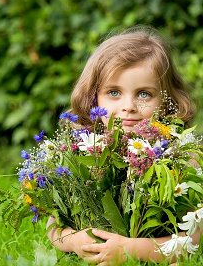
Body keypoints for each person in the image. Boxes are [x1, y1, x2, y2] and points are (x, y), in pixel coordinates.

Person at [46, 26, 198, 265]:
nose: (129, 106)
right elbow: (54, 224)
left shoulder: (182, 159)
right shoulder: (81, 155)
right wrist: (75, 241)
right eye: (114, 92)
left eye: (144, 94)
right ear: (93, 97)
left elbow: (196, 238)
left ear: (167, 100)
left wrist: (133, 250)